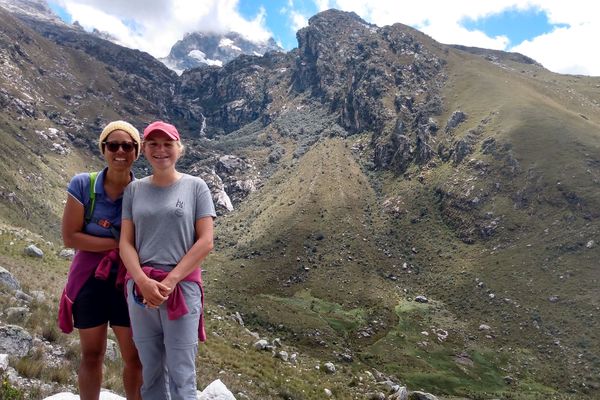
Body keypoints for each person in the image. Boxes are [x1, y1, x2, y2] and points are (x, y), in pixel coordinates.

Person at [120, 120, 216, 400]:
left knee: (181, 373)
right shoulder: (134, 190)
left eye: (167, 144)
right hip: (141, 290)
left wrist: (170, 282)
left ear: (179, 148)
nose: (160, 150)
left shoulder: (196, 187)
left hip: (181, 288)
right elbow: (125, 242)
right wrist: (142, 281)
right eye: (153, 144)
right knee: (150, 370)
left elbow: (205, 241)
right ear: (144, 150)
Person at [58, 120, 143, 400]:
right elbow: (71, 237)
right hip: (89, 283)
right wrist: (118, 244)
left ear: (136, 151)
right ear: (103, 149)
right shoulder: (83, 184)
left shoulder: (143, 193)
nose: (120, 151)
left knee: (134, 357)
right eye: (113, 145)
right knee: (92, 355)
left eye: (128, 145)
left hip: (126, 282)